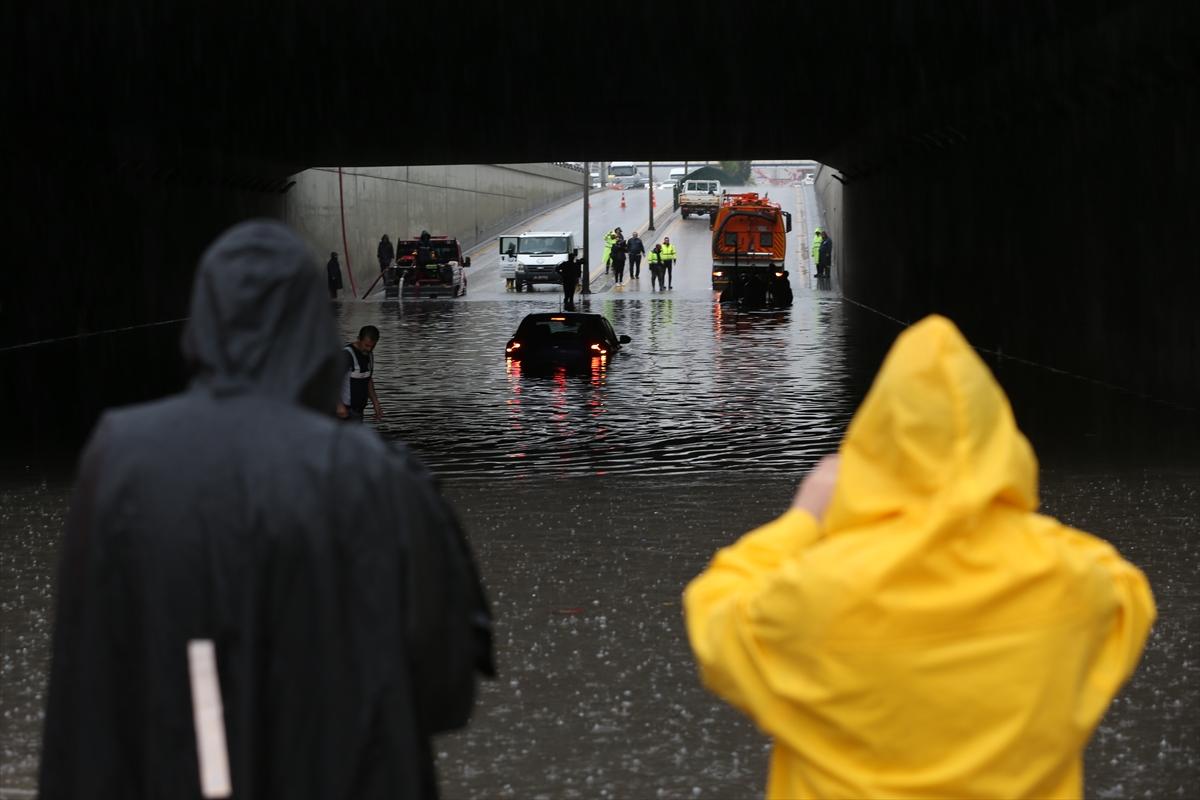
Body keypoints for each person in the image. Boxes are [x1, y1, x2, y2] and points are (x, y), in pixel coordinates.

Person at [39, 220, 494, 800]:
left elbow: (84, 682)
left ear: (201, 323)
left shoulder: (118, 459)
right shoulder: (382, 476)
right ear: (312, 325)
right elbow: (445, 689)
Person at [684, 315, 1155, 800]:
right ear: (1001, 440)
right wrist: (1011, 517)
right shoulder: (1074, 577)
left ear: (874, 440)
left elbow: (715, 611)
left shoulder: (817, 593)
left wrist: (806, 517)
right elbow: (1129, 592)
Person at [337, 325, 383, 422]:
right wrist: (339, 405)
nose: (370, 349)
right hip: (343, 412)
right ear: (359, 339)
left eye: (373, 346)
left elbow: (368, 379)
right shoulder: (346, 355)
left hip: (358, 412)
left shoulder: (369, 355)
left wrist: (375, 403)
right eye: (366, 345)